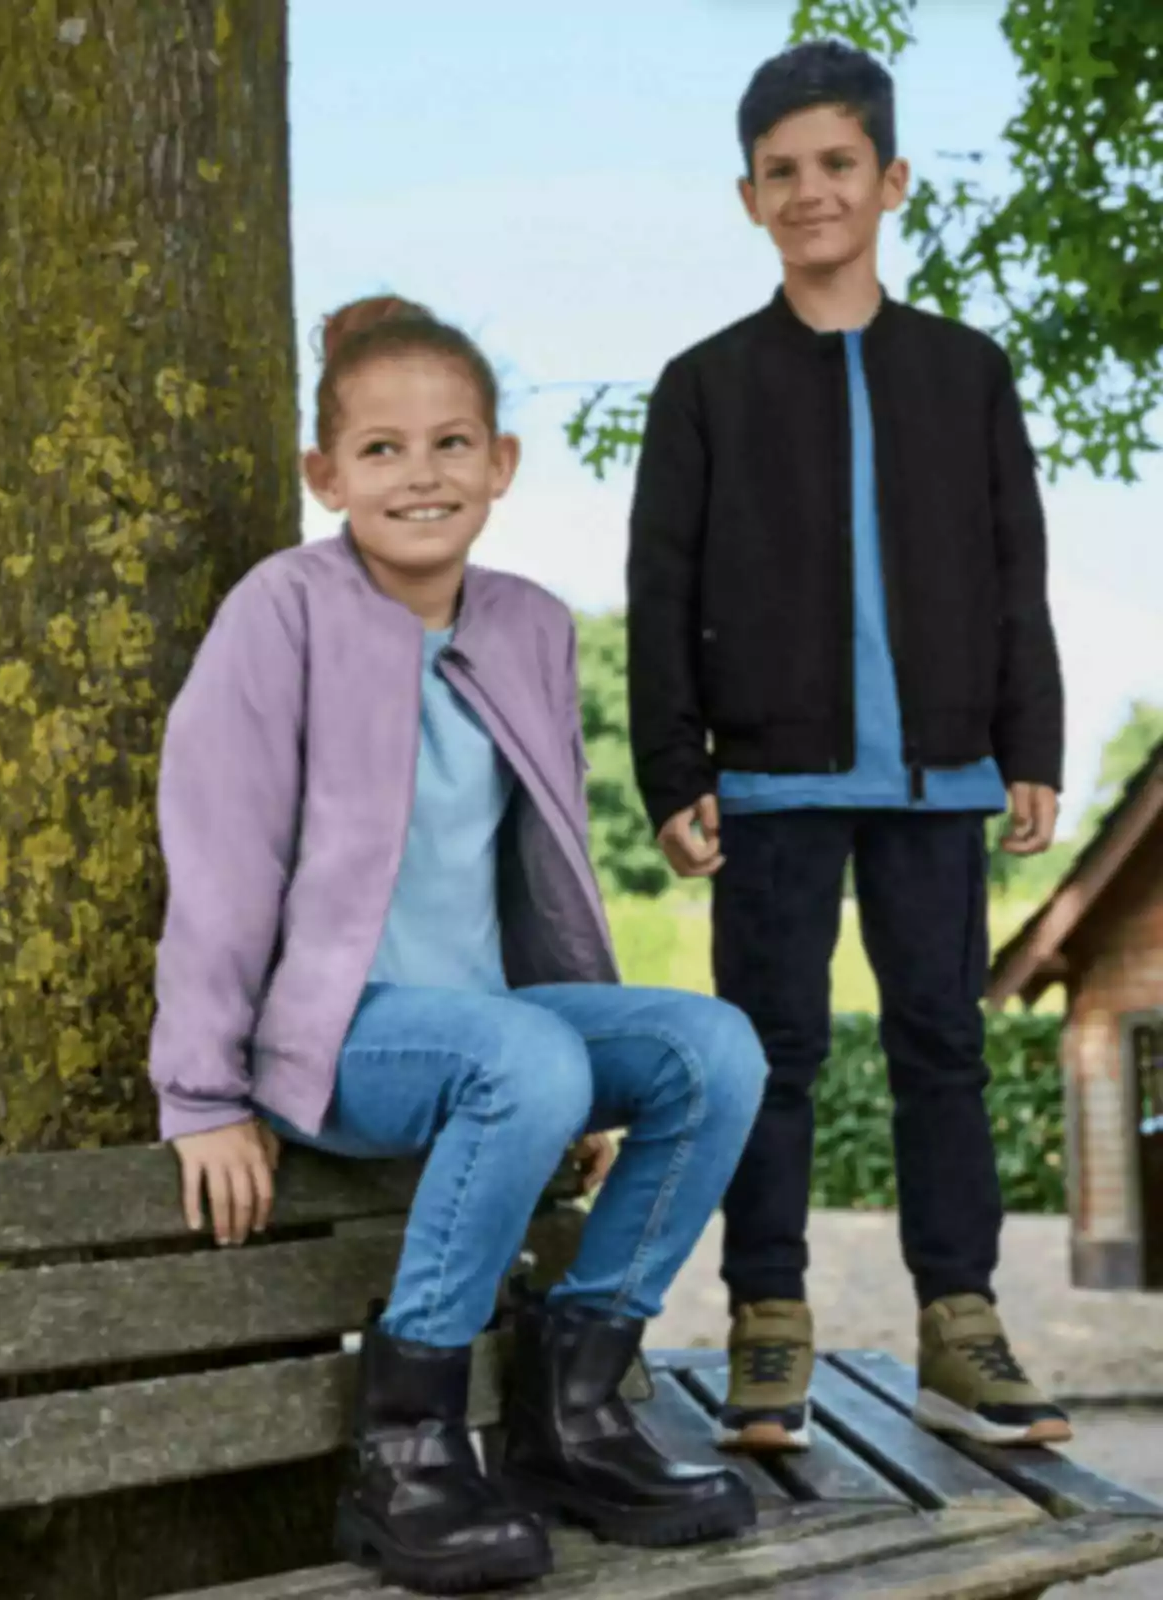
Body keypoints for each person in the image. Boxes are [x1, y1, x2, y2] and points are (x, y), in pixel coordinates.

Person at [149, 295, 766, 1595]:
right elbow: (219, 852)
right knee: (528, 1059)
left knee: (713, 1049)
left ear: (499, 465)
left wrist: (581, 1062)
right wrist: (200, 1091)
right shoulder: (283, 613)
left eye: (450, 444)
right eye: (380, 449)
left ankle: (575, 1409)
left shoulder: (531, 626)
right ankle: (407, 1448)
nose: (418, 474)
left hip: (500, 1035)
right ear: (327, 475)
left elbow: (542, 863)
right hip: (332, 1042)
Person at [626, 40, 1071, 1456]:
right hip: (766, 781)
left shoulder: (968, 372)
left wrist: (1032, 739)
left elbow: (1018, 573)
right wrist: (670, 772)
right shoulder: (702, 386)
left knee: (942, 1044)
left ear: (889, 182)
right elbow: (662, 590)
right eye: (781, 172)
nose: (811, 192)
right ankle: (769, 1318)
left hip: (942, 781)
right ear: (747, 198)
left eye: (836, 166)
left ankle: (962, 1321)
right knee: (774, 1052)